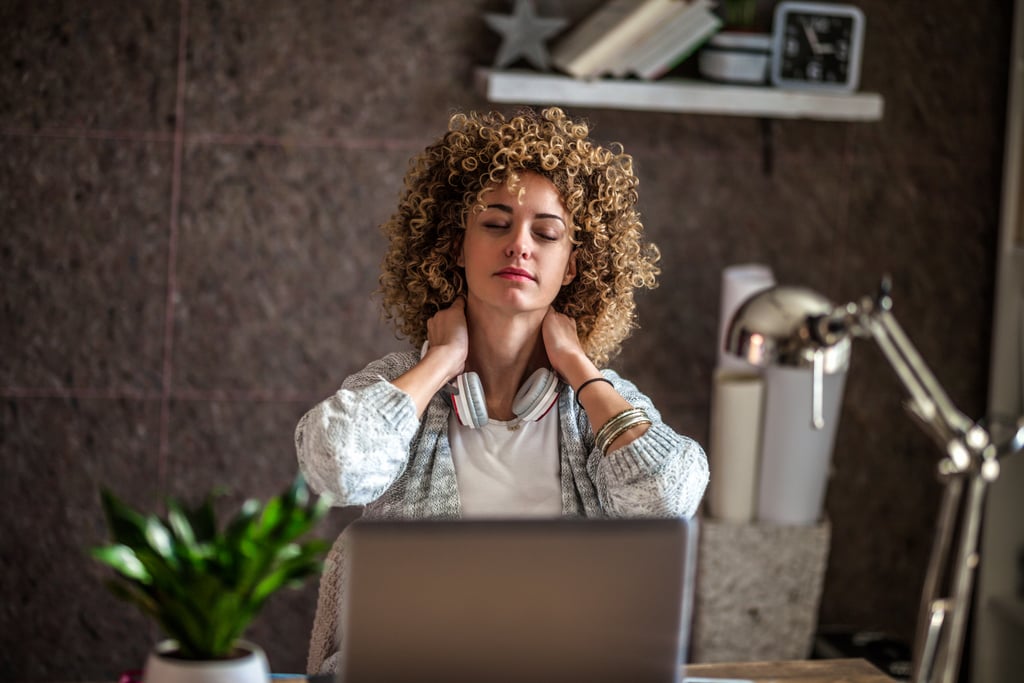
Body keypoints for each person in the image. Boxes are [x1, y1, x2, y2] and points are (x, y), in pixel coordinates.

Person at [295, 106, 709, 674]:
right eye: (495, 224)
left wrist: (580, 370)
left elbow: (669, 502)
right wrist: (441, 362)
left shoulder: (597, 405)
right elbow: (333, 465)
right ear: (455, 245)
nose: (520, 245)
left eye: (546, 233)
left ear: (571, 267)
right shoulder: (400, 387)